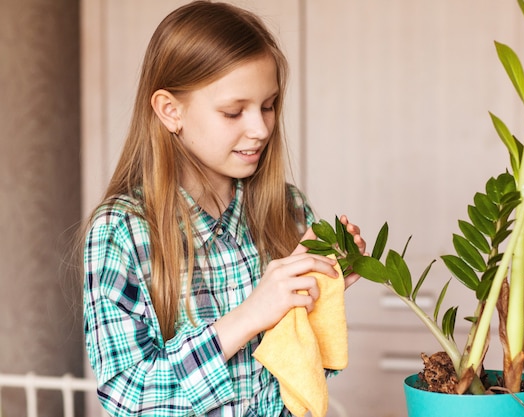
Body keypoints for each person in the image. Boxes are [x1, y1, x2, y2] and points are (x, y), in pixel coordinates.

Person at [82, 1, 366, 416]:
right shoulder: (121, 231)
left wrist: (322, 290)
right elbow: (128, 398)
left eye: (268, 106)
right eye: (234, 112)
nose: (262, 128)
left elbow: (304, 373)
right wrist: (251, 313)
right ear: (170, 111)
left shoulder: (287, 208)